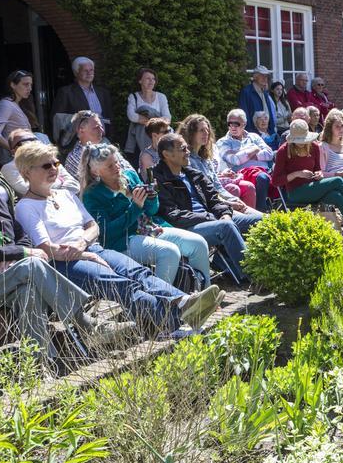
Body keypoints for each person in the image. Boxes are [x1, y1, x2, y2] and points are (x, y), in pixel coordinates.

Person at [13, 142, 224, 336]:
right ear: (27, 172)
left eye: (55, 163)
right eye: (45, 166)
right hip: (65, 262)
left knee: (137, 273)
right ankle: (175, 321)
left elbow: (92, 226)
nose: (53, 169)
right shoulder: (26, 206)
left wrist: (83, 244)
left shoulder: (65, 195)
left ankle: (185, 302)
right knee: (122, 285)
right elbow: (46, 248)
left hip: (92, 249)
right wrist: (84, 253)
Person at [0, 149, 135, 364]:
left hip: (7, 273)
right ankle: (87, 324)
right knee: (33, 263)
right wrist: (16, 253)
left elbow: (20, 235)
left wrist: (13, 256)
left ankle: (42, 363)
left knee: (28, 292)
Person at [80, 143, 211, 286]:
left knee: (198, 243)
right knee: (169, 252)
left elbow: (152, 211)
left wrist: (151, 197)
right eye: (110, 166)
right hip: (122, 241)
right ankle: (162, 303)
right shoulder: (92, 195)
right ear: (95, 172)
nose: (117, 167)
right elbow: (106, 233)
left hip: (150, 228)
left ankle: (204, 291)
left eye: (116, 162)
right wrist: (135, 207)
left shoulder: (129, 176)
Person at [154, 133, 261, 284]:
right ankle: (256, 277)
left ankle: (272, 266)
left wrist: (224, 213)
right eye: (183, 149)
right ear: (167, 154)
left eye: (187, 147)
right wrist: (210, 217)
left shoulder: (194, 175)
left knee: (261, 220)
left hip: (214, 219)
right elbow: (173, 216)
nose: (188, 152)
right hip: (187, 228)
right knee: (226, 227)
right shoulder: (159, 181)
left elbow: (214, 199)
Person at [270, 120, 343, 229]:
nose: (301, 143)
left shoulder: (314, 147)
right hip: (295, 192)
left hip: (314, 187)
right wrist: (297, 174)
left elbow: (318, 170)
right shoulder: (283, 151)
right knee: (338, 180)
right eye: (298, 140)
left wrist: (319, 174)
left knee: (337, 196)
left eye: (303, 139)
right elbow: (275, 181)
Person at [178, 114, 262, 216]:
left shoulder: (206, 159)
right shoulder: (187, 161)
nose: (206, 133)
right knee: (257, 220)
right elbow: (203, 194)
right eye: (201, 130)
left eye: (207, 130)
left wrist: (235, 200)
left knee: (265, 217)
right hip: (211, 209)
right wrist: (230, 204)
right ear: (191, 133)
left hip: (222, 203)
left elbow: (218, 187)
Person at [216, 109, 273, 212]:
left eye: (236, 124)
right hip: (241, 174)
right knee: (262, 178)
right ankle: (261, 212)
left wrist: (246, 155)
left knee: (271, 175)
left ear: (244, 124)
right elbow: (235, 160)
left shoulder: (254, 137)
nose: (232, 127)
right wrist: (254, 149)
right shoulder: (223, 142)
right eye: (230, 124)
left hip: (263, 170)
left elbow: (269, 154)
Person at [2, 130, 80, 197]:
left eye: (34, 139)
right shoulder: (9, 168)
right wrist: (61, 182)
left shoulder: (51, 160)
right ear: (13, 151)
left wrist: (47, 187)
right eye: (25, 142)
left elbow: (75, 185)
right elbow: (27, 189)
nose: (32, 143)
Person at [52, 57, 114, 138]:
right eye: (85, 70)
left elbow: (109, 117)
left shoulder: (103, 92)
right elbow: (57, 118)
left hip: (102, 138)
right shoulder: (66, 92)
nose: (89, 73)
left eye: (91, 70)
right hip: (78, 140)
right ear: (76, 72)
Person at [64, 110, 129, 181]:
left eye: (101, 127)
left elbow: (128, 168)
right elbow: (101, 183)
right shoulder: (76, 157)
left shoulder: (106, 146)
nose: (102, 131)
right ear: (81, 130)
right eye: (96, 128)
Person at [125, 67, 171, 160]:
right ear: (140, 81)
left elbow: (167, 117)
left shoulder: (161, 97)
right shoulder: (134, 97)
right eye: (148, 78)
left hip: (159, 134)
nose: (151, 81)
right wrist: (154, 120)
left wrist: (149, 121)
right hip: (141, 135)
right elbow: (131, 116)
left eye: (153, 79)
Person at [0, 69, 40, 158]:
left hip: (24, 157)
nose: (30, 88)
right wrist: (13, 150)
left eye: (31, 85)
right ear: (13, 85)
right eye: (25, 84)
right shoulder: (6, 104)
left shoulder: (19, 104)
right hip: (13, 159)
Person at [237, 65, 277, 134]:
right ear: (255, 77)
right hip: (253, 133)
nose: (265, 78)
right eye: (262, 76)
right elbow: (244, 114)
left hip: (267, 132)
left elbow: (269, 112)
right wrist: (249, 133)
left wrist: (272, 131)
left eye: (266, 76)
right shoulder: (246, 92)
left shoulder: (265, 93)